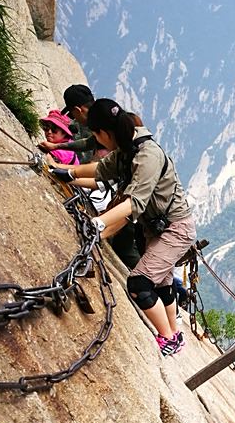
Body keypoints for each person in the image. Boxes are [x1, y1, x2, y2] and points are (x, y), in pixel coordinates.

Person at [50, 99, 195, 356]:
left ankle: (168, 337)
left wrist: (99, 222)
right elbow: (102, 169)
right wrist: (69, 173)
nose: (96, 139)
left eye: (96, 134)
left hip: (175, 229)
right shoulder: (128, 149)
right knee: (162, 283)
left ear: (105, 132)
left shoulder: (146, 154)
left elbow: (134, 202)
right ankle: (176, 333)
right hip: (158, 228)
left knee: (139, 283)